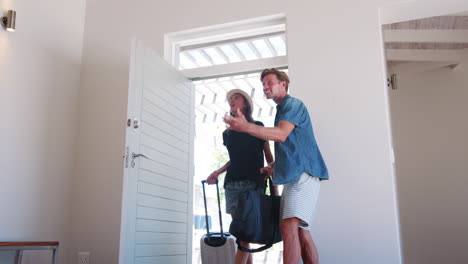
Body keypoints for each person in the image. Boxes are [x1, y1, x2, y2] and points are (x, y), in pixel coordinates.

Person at [223, 68, 329, 264]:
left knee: (289, 226)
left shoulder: (293, 104)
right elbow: (294, 144)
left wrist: (246, 127)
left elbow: (280, 134)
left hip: (303, 174)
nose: (265, 87)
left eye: (269, 82)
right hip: (296, 174)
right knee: (301, 231)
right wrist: (275, 164)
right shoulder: (283, 110)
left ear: (283, 84)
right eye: (263, 84)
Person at [206, 89, 275, 264]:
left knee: (246, 234)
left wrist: (272, 173)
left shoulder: (257, 126)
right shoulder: (227, 133)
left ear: (245, 103)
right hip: (231, 185)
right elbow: (233, 159)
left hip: (253, 183)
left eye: (236, 97)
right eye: (230, 99)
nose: (232, 100)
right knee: (242, 235)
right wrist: (218, 172)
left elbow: (269, 156)